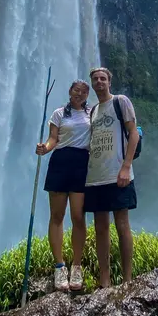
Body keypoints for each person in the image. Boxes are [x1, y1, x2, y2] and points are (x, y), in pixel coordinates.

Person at [85, 66, 140, 287]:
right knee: (100, 228)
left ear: (109, 81)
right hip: (95, 177)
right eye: (95, 79)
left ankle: (127, 279)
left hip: (118, 174)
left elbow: (133, 134)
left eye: (103, 78)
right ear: (92, 84)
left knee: (122, 225)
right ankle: (105, 280)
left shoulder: (121, 101)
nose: (99, 82)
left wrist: (126, 166)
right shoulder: (92, 111)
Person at [36, 80, 90, 291]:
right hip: (60, 162)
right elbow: (53, 139)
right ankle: (60, 267)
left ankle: (76, 266)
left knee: (78, 216)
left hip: (81, 164)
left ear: (87, 95)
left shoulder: (91, 114)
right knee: (57, 216)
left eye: (84, 92)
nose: (79, 94)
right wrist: (44, 148)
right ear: (70, 92)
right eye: (76, 90)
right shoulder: (59, 113)